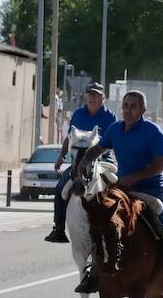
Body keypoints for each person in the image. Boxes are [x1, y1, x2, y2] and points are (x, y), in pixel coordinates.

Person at [77, 90, 163, 298]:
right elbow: (98, 148)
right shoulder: (115, 129)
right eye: (126, 105)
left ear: (143, 110)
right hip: (123, 189)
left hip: (151, 190)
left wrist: (136, 176)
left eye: (133, 105)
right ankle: (95, 272)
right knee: (101, 222)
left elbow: (161, 163)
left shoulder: (153, 132)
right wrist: (84, 162)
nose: (128, 109)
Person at [45, 82, 117, 243]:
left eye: (96, 95)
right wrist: (61, 157)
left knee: (121, 187)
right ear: (85, 97)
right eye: (90, 94)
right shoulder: (78, 114)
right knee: (59, 189)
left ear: (103, 98)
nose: (92, 98)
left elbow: (114, 139)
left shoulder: (110, 117)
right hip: (77, 163)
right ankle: (59, 228)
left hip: (103, 159)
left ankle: (121, 225)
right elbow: (69, 138)